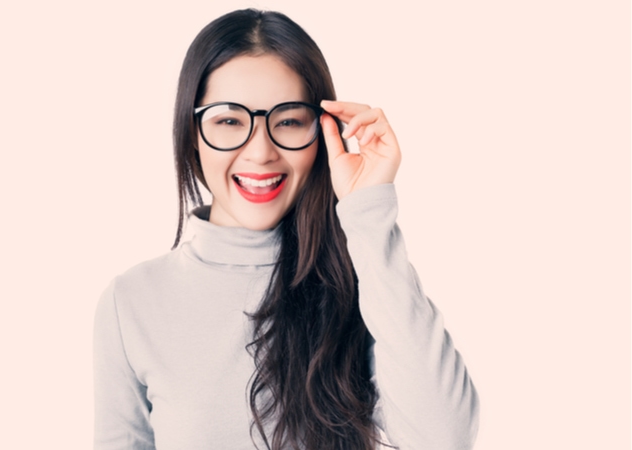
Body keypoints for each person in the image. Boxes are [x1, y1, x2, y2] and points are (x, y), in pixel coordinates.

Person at [94, 8, 479, 450]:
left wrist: (368, 212)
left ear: (323, 132)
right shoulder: (132, 301)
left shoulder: (363, 282)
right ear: (193, 131)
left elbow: (445, 438)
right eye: (229, 121)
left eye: (290, 121)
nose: (260, 152)